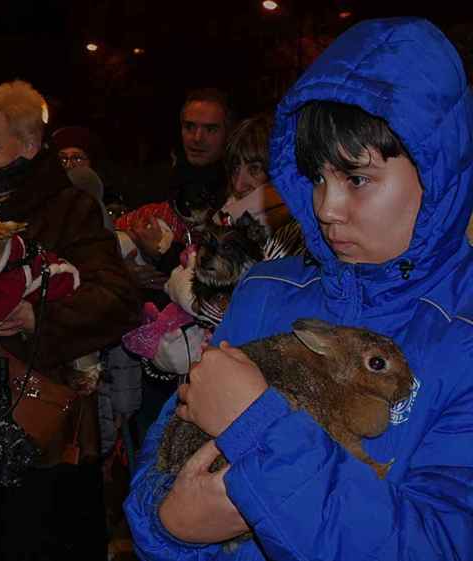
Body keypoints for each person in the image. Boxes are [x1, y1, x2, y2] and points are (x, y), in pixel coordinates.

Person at [125, 17, 473, 560]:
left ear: (437, 170)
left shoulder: (461, 335)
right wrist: (169, 526)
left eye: (356, 178)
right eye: (316, 178)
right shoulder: (266, 290)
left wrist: (257, 428)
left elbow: (440, 543)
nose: (326, 208)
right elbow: (165, 449)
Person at [0, 79, 141, 561]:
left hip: (48, 426)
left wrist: (37, 316)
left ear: (29, 145)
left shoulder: (71, 209)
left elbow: (118, 299)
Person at [132, 88, 231, 210]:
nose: (197, 138)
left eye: (210, 129)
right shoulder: (152, 184)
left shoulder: (238, 189)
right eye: (189, 127)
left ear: (227, 133)